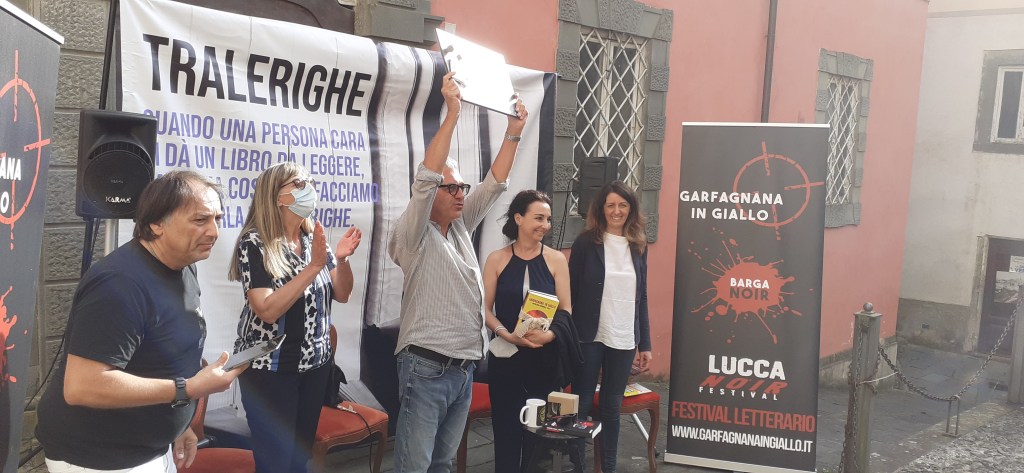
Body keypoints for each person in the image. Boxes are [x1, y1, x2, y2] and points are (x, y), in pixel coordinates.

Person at [36, 170, 242, 472]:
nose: (214, 231)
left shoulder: (183, 267)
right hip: (102, 459)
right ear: (156, 224)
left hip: (151, 450)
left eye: (217, 219)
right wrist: (188, 389)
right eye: (200, 220)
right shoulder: (119, 283)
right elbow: (82, 386)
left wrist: (179, 426)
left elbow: (159, 358)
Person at [388, 70, 527, 473]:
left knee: (443, 464)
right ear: (431, 194)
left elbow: (495, 184)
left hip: (463, 368)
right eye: (450, 188)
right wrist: (452, 113)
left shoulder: (461, 225)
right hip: (426, 367)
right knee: (415, 467)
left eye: (462, 187)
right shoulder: (413, 232)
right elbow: (425, 179)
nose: (460, 193)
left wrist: (514, 132)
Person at [228, 162, 362, 473]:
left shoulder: (313, 237)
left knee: (299, 458)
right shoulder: (254, 243)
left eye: (309, 182)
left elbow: (343, 293)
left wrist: (341, 260)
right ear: (277, 196)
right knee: (275, 461)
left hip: (314, 367)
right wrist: (313, 267)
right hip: (270, 371)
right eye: (299, 184)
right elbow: (267, 309)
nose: (309, 189)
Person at [482, 190, 572, 473]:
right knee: (505, 431)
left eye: (548, 219)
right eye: (538, 218)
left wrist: (550, 335)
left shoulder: (557, 259)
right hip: (505, 358)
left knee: (540, 435)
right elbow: (484, 309)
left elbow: (566, 310)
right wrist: (505, 333)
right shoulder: (496, 259)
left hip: (544, 361)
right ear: (519, 218)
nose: (545, 225)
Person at [569, 181, 652, 473]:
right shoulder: (585, 243)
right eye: (611, 205)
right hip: (589, 335)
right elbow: (570, 291)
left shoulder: (638, 245)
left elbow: (642, 296)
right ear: (601, 209)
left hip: (624, 335)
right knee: (581, 403)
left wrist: (646, 344)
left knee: (611, 406)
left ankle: (608, 467)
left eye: (623, 205)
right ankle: (578, 465)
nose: (617, 211)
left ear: (631, 209)